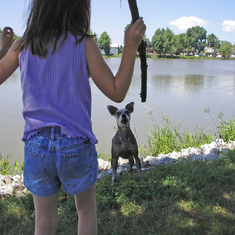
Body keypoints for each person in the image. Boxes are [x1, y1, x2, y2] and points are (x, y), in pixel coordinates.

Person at [0, 0, 146, 234]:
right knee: (86, 209)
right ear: (79, 8)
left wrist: (4, 50)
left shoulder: (23, 45)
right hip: (75, 143)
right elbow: (117, 92)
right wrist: (130, 47)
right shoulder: (84, 44)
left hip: (37, 145)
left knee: (43, 221)